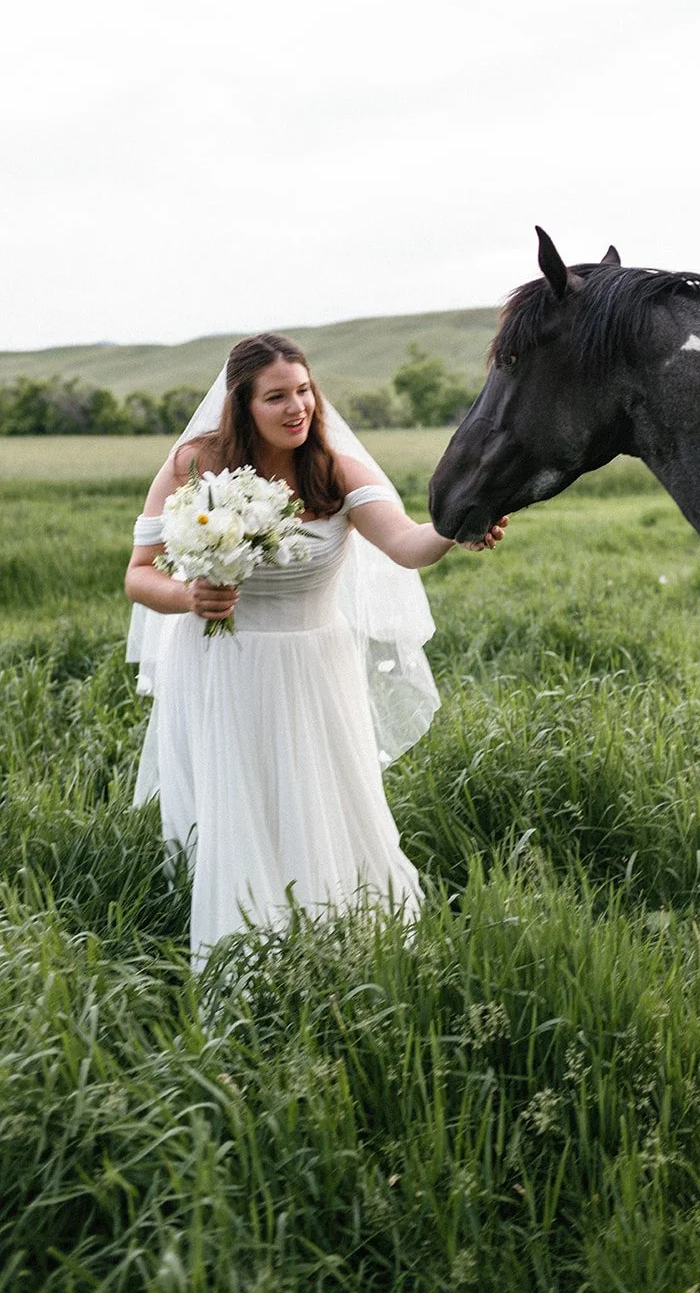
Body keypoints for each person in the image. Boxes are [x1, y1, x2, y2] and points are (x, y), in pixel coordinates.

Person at [125, 332, 504, 968]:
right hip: (223, 662)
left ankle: (336, 937)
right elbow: (140, 574)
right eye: (277, 397)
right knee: (242, 802)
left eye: (304, 391)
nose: (297, 407)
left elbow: (407, 545)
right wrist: (188, 597)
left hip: (315, 664)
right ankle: (249, 944)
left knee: (325, 796)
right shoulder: (196, 465)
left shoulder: (337, 468)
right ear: (243, 406)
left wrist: (454, 530)